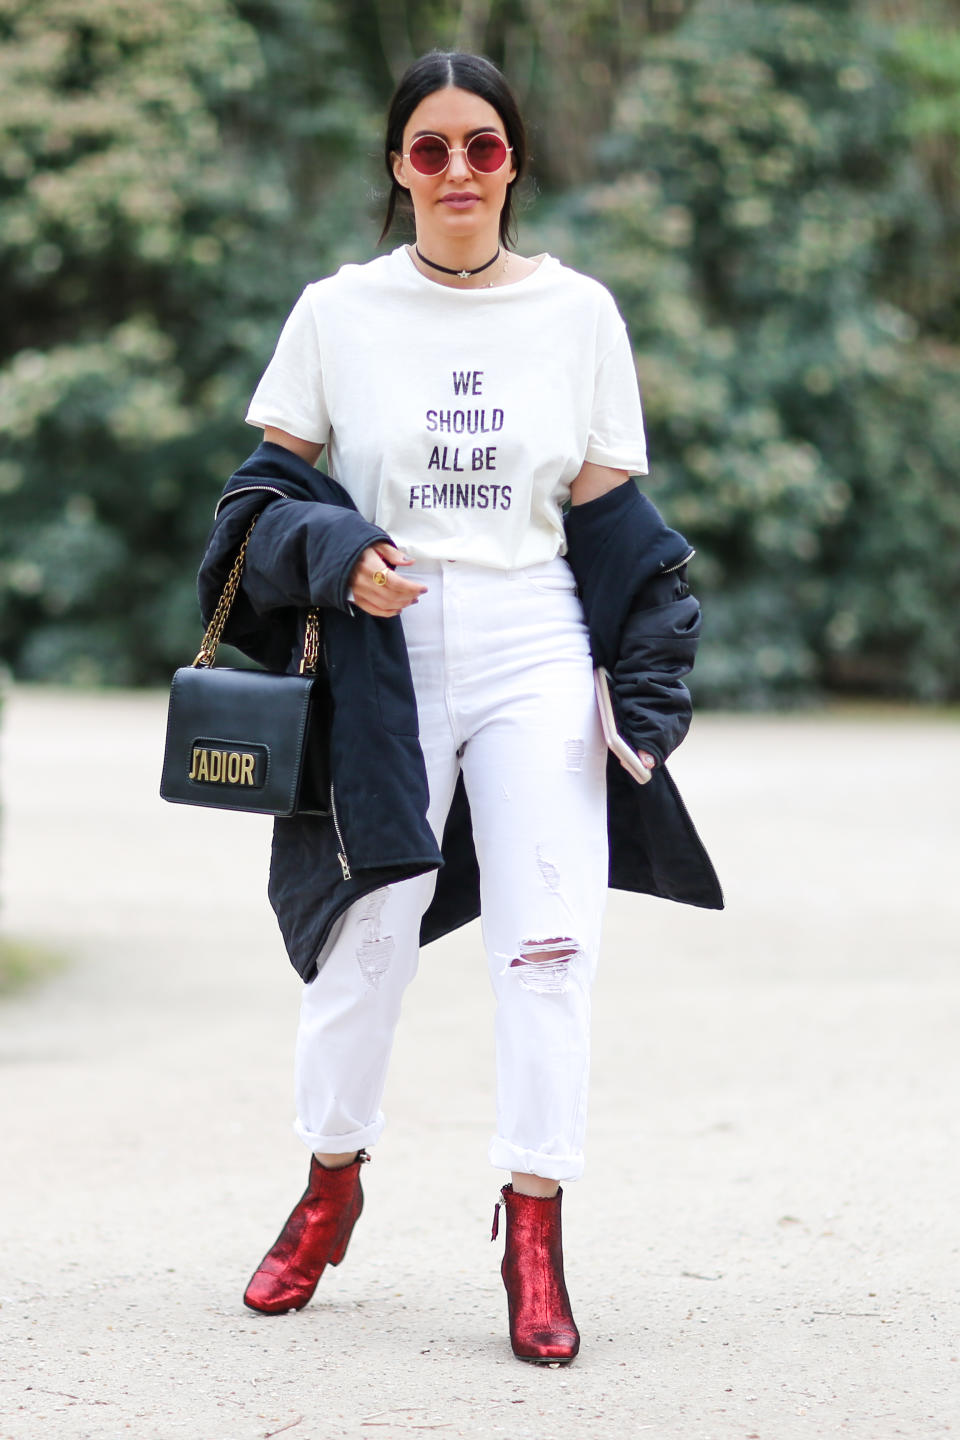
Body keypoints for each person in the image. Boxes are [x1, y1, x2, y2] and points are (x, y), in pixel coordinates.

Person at [198, 49, 722, 1365]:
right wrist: (337, 561)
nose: (456, 173)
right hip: (387, 648)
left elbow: (612, 520)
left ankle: (534, 1226)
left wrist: (647, 676)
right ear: (396, 166)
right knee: (362, 940)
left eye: (481, 147)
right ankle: (329, 1189)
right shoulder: (337, 313)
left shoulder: (579, 315)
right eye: (429, 150)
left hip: (535, 640)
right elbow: (252, 511)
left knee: (549, 945)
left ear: (515, 163)